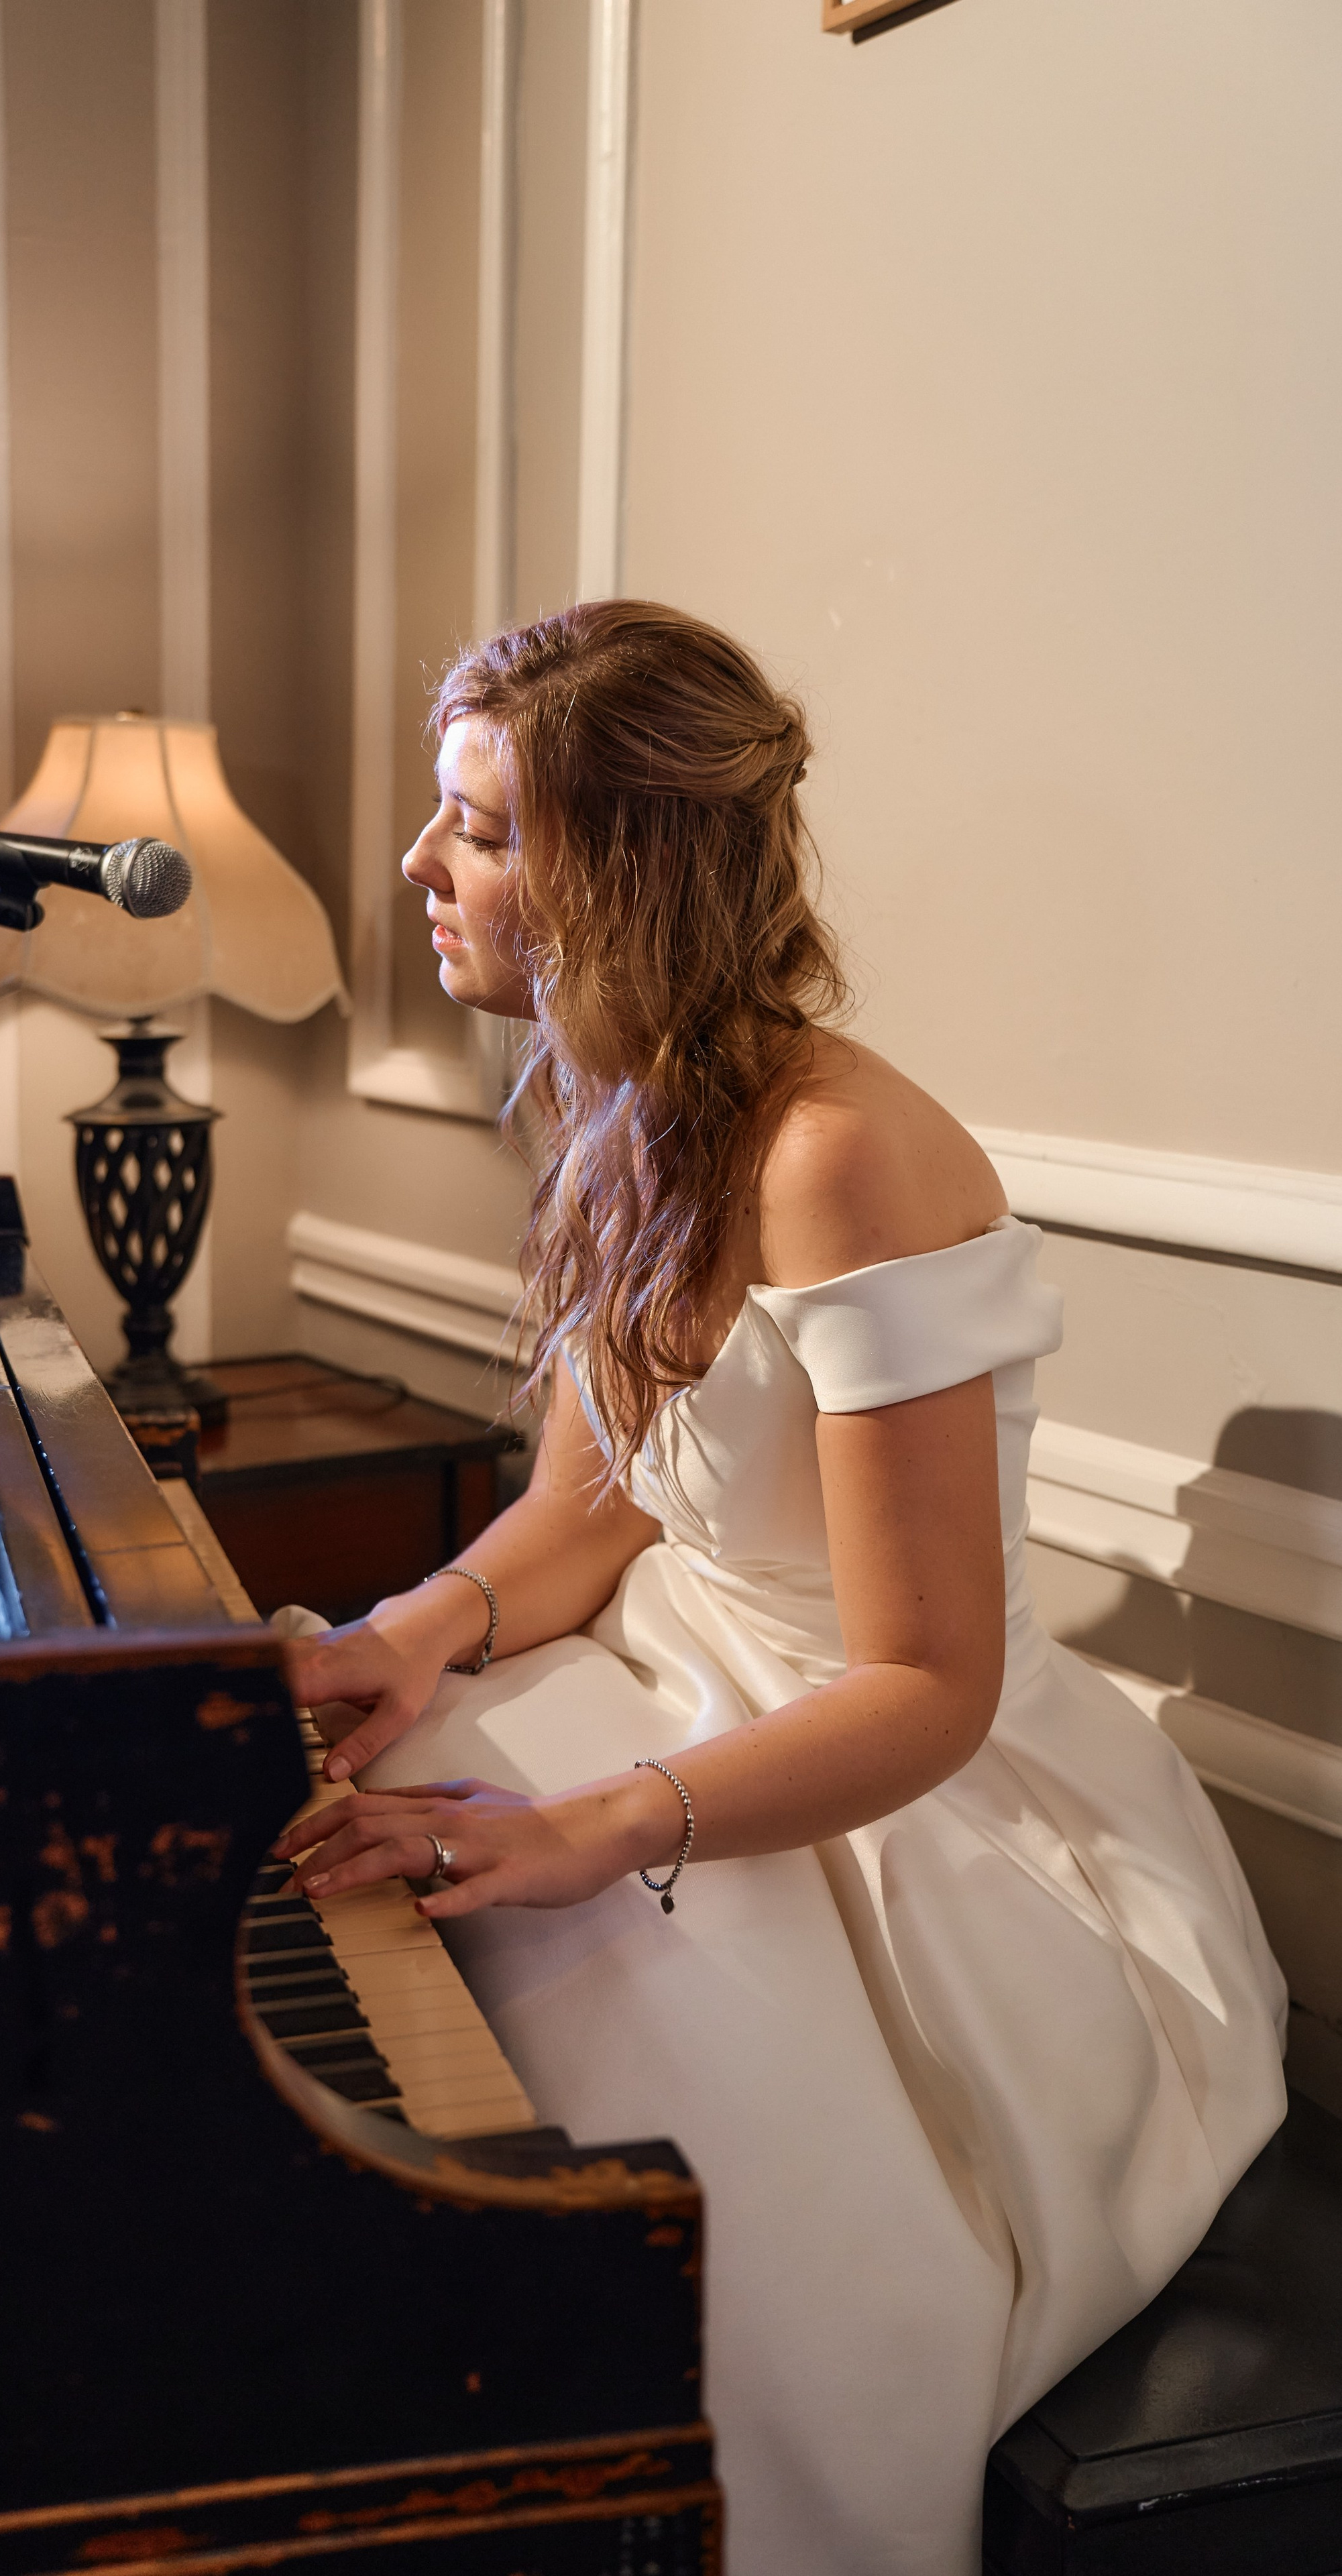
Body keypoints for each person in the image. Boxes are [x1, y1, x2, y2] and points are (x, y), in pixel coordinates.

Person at [272, 602, 1286, 2575]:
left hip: (915, 1797)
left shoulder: (843, 1160)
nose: (419, 864)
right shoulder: (619, 1101)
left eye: (473, 825)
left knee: (699, 2190)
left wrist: (592, 1830)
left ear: (613, 867)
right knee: (388, 1927)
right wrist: (409, 1631)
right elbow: (594, 1513)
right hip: (689, 1670)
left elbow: (926, 1681)